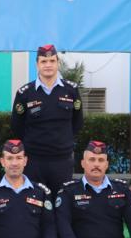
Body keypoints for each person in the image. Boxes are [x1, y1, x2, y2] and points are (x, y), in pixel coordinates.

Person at [11, 44, 84, 190]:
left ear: (58, 63)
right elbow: (17, 126)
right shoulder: (24, 93)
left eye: (52, 61)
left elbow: (77, 122)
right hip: (34, 161)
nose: (48, 65)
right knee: (34, 200)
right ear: (37, 64)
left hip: (62, 160)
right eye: (44, 61)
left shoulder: (71, 90)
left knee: (62, 200)